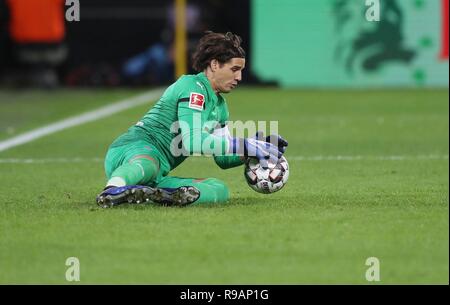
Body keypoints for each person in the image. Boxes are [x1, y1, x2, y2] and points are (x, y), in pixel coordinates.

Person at [96, 31, 288, 208]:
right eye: (234, 69)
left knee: (219, 189)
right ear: (214, 65)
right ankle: (112, 189)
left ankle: (156, 194)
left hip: (158, 171)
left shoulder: (220, 107)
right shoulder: (193, 86)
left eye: (241, 71)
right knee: (149, 164)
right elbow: (194, 141)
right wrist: (244, 144)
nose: (239, 77)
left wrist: (254, 147)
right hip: (132, 149)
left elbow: (223, 159)